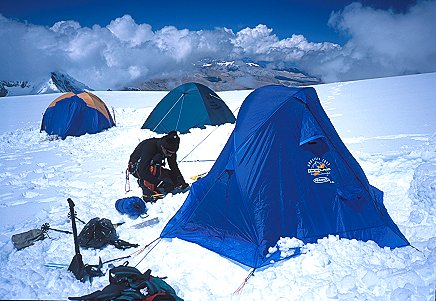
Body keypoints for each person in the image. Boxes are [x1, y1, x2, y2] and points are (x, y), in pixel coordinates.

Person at [128, 131, 189, 200]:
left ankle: (158, 182)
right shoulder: (149, 148)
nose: (170, 155)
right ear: (163, 147)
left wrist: (181, 181)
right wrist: (161, 183)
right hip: (136, 168)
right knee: (156, 163)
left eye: (173, 153)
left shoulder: (170, 148)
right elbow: (142, 172)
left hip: (153, 167)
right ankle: (147, 188)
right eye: (168, 153)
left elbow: (173, 166)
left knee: (172, 178)